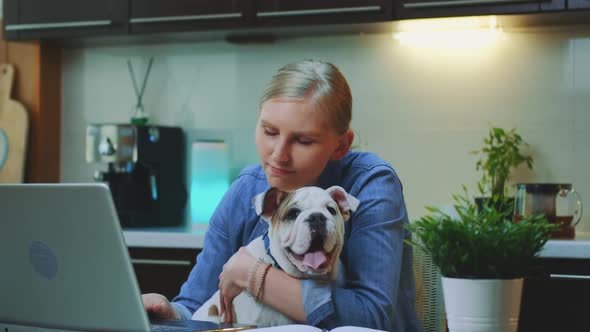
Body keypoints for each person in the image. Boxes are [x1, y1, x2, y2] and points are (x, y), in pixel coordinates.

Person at [142, 59, 421, 331]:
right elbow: (198, 304)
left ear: (341, 145)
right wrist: (172, 313)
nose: (278, 155)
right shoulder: (247, 189)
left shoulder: (371, 183)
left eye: (303, 140)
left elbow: (369, 318)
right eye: (269, 132)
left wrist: (253, 274)